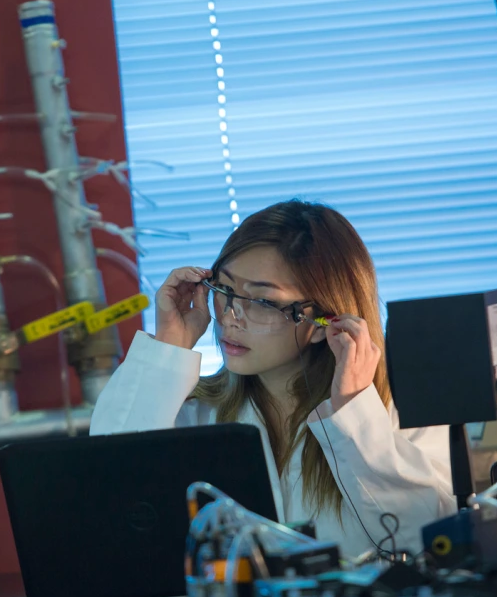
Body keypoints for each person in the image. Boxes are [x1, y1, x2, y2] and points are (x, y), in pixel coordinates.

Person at [90, 200, 455, 557]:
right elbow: (111, 491)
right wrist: (169, 347)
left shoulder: (401, 408)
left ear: (320, 324)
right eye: (225, 291)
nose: (232, 317)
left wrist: (353, 414)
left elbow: (423, 540)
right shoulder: (193, 411)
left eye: (261, 302)